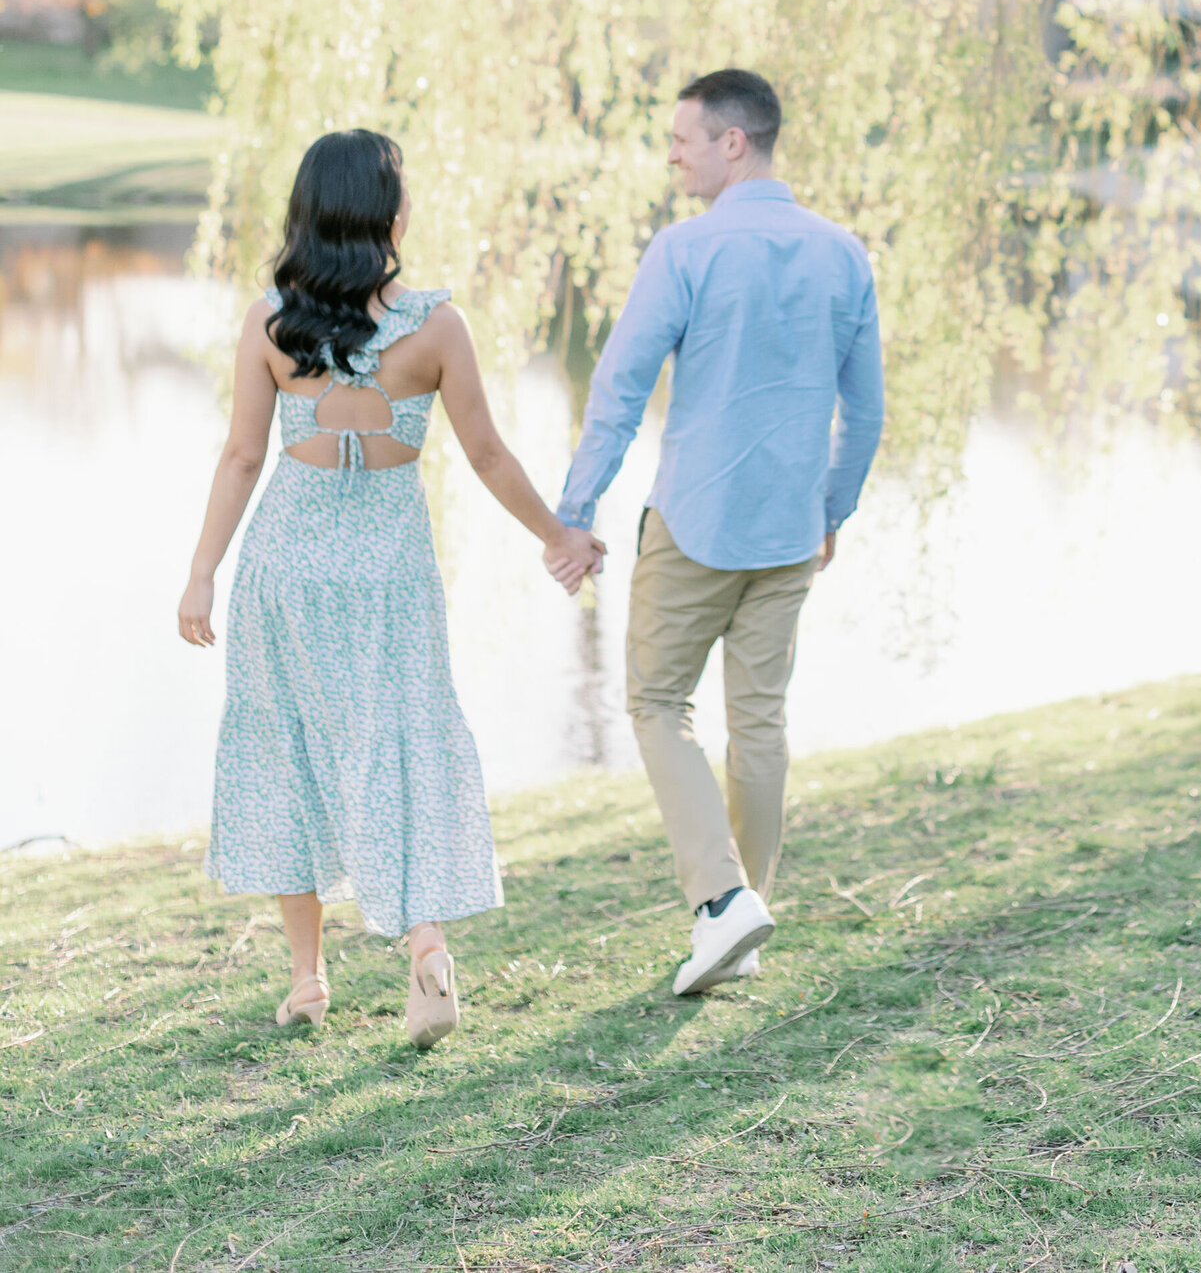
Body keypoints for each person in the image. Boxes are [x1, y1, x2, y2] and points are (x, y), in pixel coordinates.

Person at [177, 129, 602, 1047]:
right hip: (388, 571)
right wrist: (558, 535)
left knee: (287, 744)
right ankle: (426, 945)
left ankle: (308, 978)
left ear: (308, 214)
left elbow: (244, 454)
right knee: (399, 745)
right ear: (392, 216)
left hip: (286, 565)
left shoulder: (268, 321)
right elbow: (487, 454)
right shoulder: (437, 326)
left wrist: (202, 572)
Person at [555, 67, 884, 996]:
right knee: (760, 722)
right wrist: (832, 509)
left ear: (732, 142)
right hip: (790, 529)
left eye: (683, 139)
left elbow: (617, 393)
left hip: (697, 523)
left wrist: (576, 512)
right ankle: (743, 915)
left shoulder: (685, 250)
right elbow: (864, 417)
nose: (672, 154)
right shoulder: (843, 254)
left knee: (657, 704)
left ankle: (722, 902)